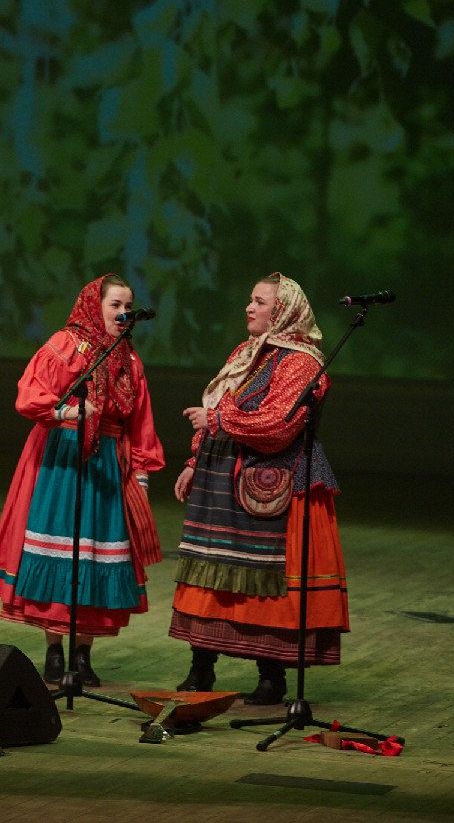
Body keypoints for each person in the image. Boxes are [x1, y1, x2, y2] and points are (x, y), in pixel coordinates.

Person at [0, 275, 165, 685]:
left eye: (128, 306)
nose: (123, 313)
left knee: (95, 553)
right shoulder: (67, 344)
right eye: (115, 305)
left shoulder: (130, 360)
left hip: (107, 464)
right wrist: (65, 412)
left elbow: (141, 421)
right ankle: (53, 651)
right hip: (61, 457)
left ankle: (82, 654)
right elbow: (29, 395)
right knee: (59, 546)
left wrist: (141, 475)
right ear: (94, 306)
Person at [170, 272, 347, 704]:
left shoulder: (302, 363)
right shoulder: (247, 352)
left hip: (272, 477)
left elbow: (279, 425)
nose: (249, 308)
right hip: (220, 475)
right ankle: (200, 669)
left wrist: (218, 421)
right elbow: (219, 403)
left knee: (266, 579)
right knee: (209, 572)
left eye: (260, 302)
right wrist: (195, 460)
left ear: (283, 311)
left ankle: (271, 676)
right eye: (250, 300)